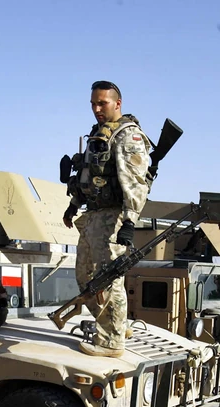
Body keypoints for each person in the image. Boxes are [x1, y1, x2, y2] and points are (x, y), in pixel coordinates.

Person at [62, 81, 151, 357]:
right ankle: (116, 325)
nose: (97, 109)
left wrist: (129, 221)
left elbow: (135, 182)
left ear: (117, 103)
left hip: (113, 217)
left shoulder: (128, 135)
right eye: (93, 104)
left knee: (108, 279)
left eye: (102, 103)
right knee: (84, 277)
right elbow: (90, 176)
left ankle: (112, 342)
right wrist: (73, 205)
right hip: (93, 215)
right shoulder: (98, 133)